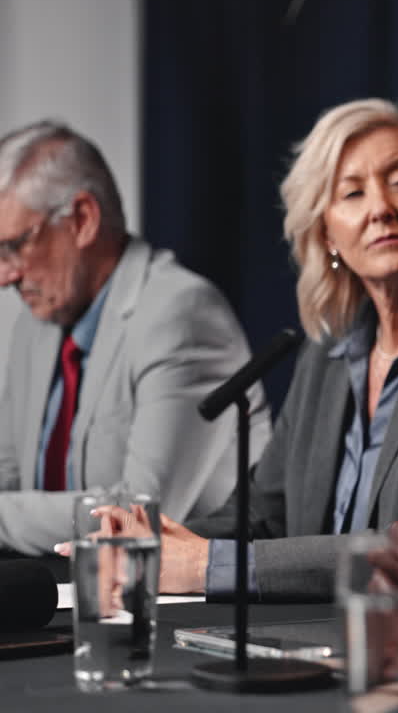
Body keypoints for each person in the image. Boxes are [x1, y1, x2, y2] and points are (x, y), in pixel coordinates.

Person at [116, 99, 398, 602]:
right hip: (307, 634)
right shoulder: (329, 351)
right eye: (352, 192)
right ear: (326, 233)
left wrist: (207, 566)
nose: (380, 208)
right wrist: (152, 545)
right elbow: (263, 514)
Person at [0, 121, 269, 556]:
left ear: (83, 220)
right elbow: (8, 480)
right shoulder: (34, 327)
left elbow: (137, 516)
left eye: (15, 245)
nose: (4, 276)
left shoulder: (181, 312)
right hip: (61, 596)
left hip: (177, 609)